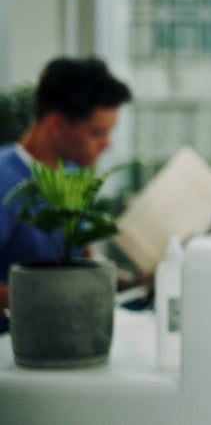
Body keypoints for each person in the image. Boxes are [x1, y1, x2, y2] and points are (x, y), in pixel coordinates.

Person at [0, 56, 132, 333]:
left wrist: (129, 282)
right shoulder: (6, 179)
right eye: (97, 132)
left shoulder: (72, 177)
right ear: (57, 125)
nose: (106, 145)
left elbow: (80, 258)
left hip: (66, 333)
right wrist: (52, 300)